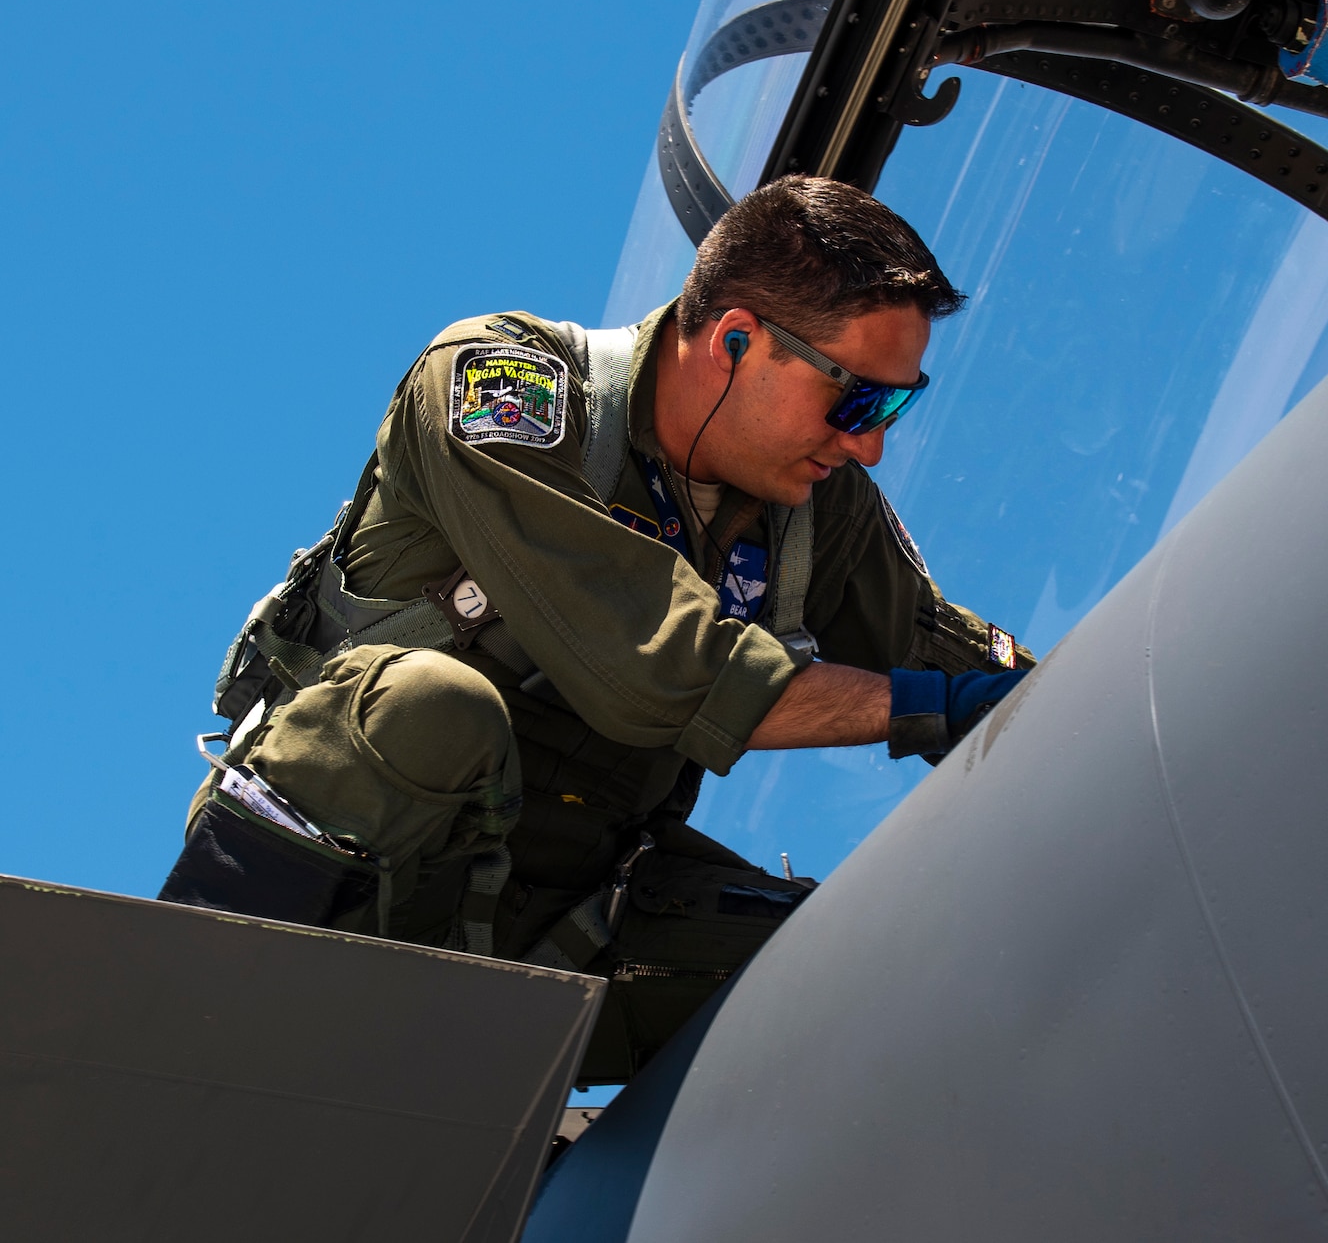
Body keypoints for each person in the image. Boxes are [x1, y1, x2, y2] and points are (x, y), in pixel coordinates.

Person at [160, 175, 1032, 1080]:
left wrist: (1071, 707)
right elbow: (654, 665)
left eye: (897, 406)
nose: (870, 443)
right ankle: (172, 1037)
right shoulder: (502, 386)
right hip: (362, 882)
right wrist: (936, 705)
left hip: (564, 926)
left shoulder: (817, 514)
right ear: (737, 340)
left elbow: (950, 662)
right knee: (428, 705)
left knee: (868, 972)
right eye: (858, 401)